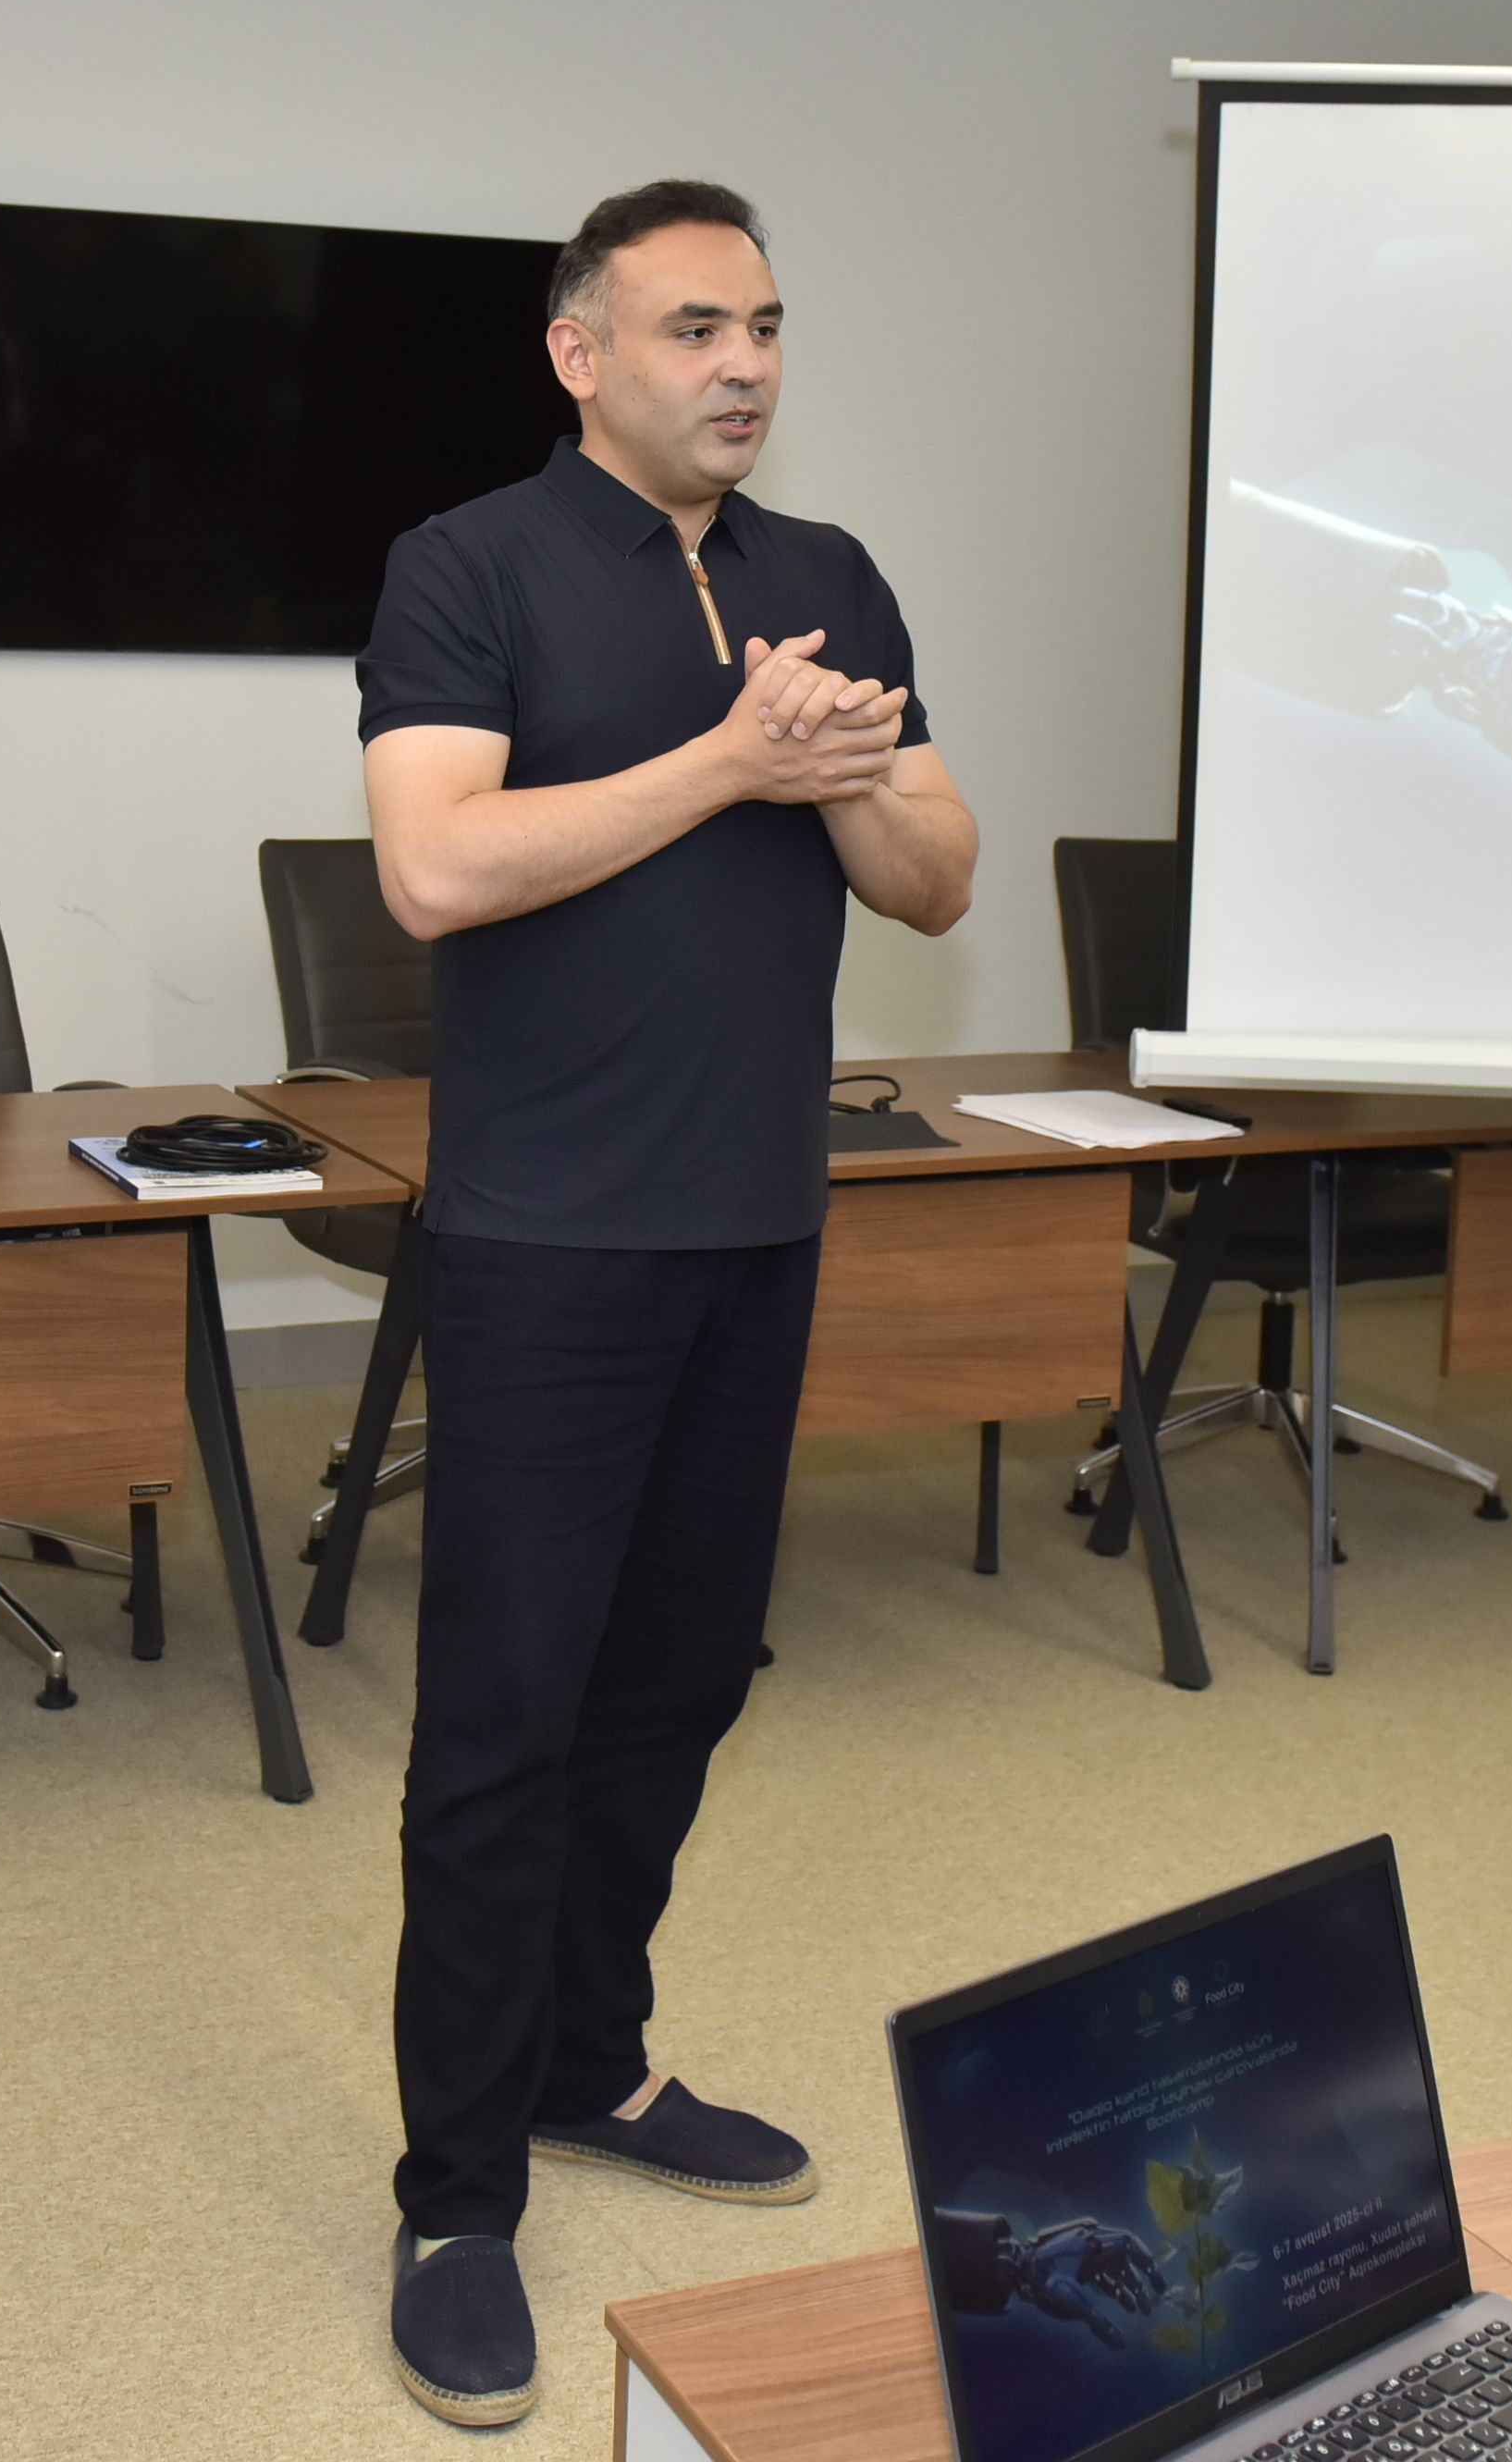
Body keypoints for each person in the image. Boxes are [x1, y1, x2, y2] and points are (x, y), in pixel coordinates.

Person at [351, 178, 977, 2430]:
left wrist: (840, 777)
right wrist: (733, 757)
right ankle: (454, 2194)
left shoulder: (830, 577)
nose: (746, 364)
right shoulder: (469, 563)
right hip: (546, 1237)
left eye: (769, 325)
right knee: (503, 1719)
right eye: (698, 324)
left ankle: (585, 2060)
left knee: (682, 1681)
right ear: (581, 350)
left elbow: (934, 874)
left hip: (757, 1219)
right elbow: (434, 864)